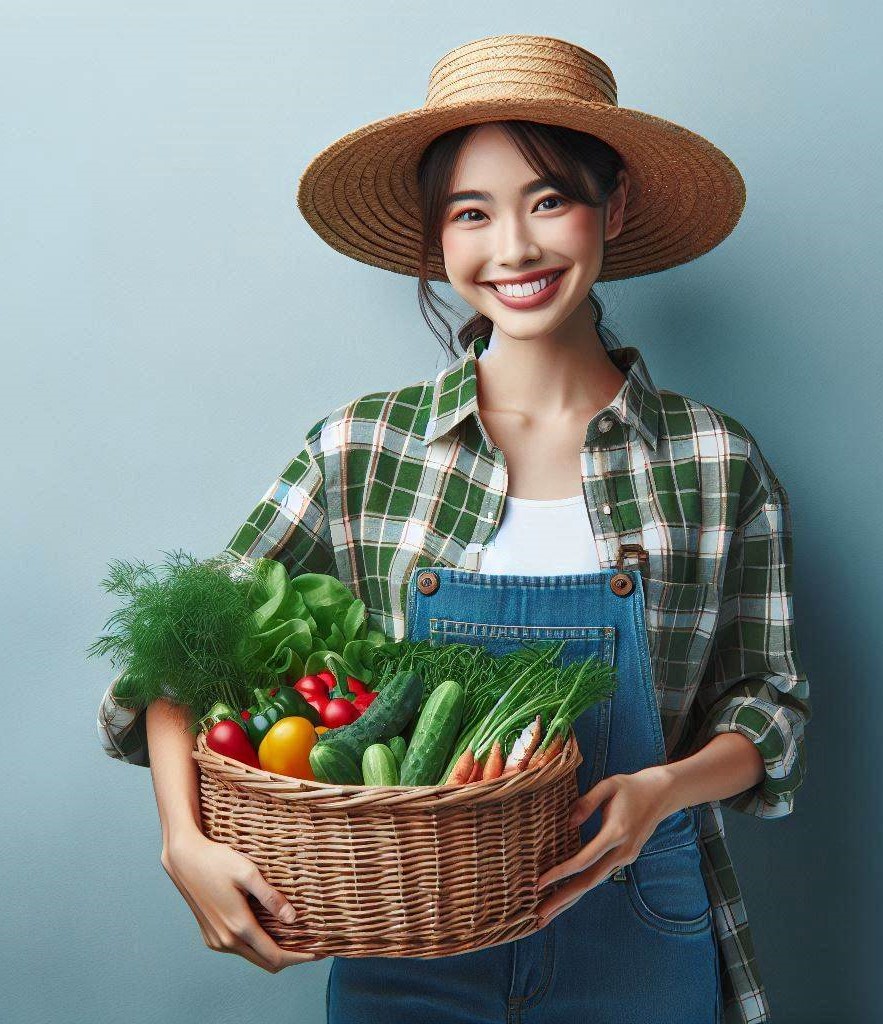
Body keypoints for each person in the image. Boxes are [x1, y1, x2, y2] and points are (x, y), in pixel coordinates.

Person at [95, 34, 811, 1024]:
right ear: (438, 240)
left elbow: (765, 707)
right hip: (413, 934)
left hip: (639, 920)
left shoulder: (714, 462)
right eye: (472, 213)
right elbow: (179, 645)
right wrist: (183, 839)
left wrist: (664, 788)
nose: (513, 248)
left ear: (616, 206)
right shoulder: (361, 449)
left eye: (548, 199)